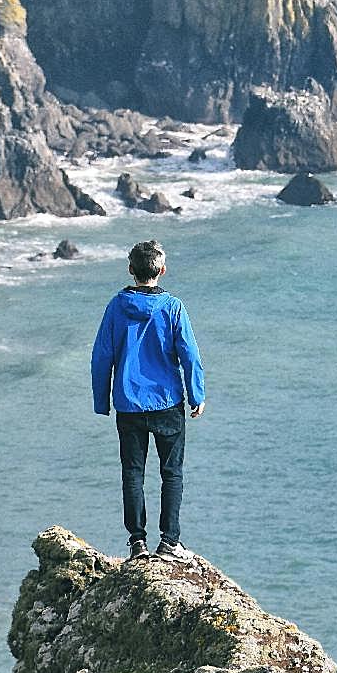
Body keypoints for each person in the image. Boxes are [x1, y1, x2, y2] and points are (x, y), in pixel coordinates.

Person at [90, 239, 205, 563]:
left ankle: (137, 543)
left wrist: (102, 400)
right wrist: (197, 394)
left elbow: (101, 356)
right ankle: (169, 542)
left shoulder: (116, 306)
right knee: (172, 473)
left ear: (131, 270)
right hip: (167, 401)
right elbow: (190, 356)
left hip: (128, 403)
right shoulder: (172, 307)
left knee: (132, 472)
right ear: (162, 270)